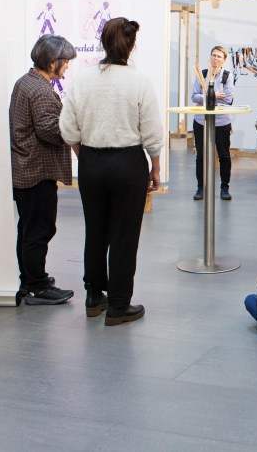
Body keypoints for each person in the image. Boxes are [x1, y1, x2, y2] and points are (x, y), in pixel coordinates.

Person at [59, 17, 163, 326]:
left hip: (91, 162)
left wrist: (86, 156)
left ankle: (94, 296)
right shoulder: (138, 82)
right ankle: (119, 304)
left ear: (103, 42)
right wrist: (155, 167)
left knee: (96, 231)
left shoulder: (82, 80)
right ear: (131, 45)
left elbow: (68, 128)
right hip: (128, 164)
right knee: (124, 235)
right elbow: (152, 131)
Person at [9, 34, 77, 307]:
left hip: (25, 169)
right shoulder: (40, 90)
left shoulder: (25, 82)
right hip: (37, 172)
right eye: (66, 61)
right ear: (52, 63)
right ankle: (37, 287)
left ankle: (30, 280)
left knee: (28, 229)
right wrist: (72, 122)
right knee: (39, 230)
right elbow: (50, 131)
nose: (67, 66)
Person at [191, 45, 235, 201]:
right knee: (201, 156)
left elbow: (228, 99)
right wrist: (214, 95)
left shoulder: (227, 76)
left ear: (224, 60)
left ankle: (225, 188)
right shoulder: (202, 74)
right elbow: (194, 96)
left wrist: (206, 97)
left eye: (219, 56)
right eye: (213, 55)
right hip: (201, 121)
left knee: (224, 155)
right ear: (210, 57)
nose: (215, 58)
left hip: (222, 122)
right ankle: (200, 188)